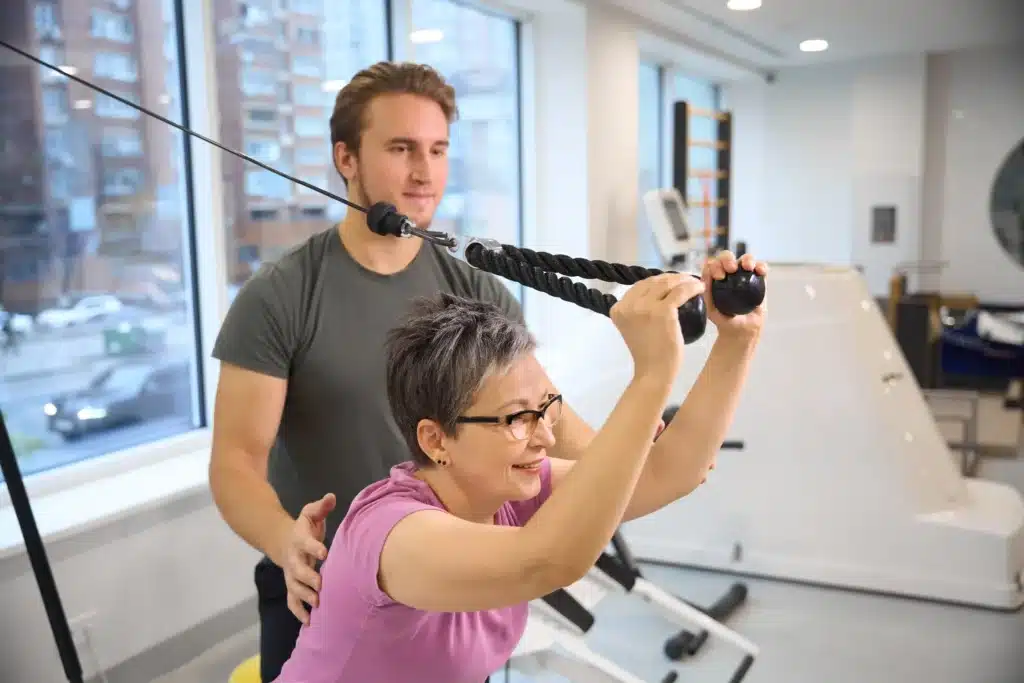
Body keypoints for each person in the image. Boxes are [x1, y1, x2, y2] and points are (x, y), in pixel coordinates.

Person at [209, 60, 605, 682]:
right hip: (323, 582)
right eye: (401, 148)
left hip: (449, 568)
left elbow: (547, 415)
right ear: (346, 157)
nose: (425, 172)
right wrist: (285, 540)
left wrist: (639, 451)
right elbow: (235, 462)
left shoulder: (473, 288)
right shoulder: (282, 294)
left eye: (438, 149)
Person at [271, 251, 767, 683]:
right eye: (515, 419)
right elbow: (551, 559)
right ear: (436, 439)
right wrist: (653, 374)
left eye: (545, 409)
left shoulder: (513, 494)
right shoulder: (394, 533)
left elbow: (668, 473)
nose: (547, 437)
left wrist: (737, 341)